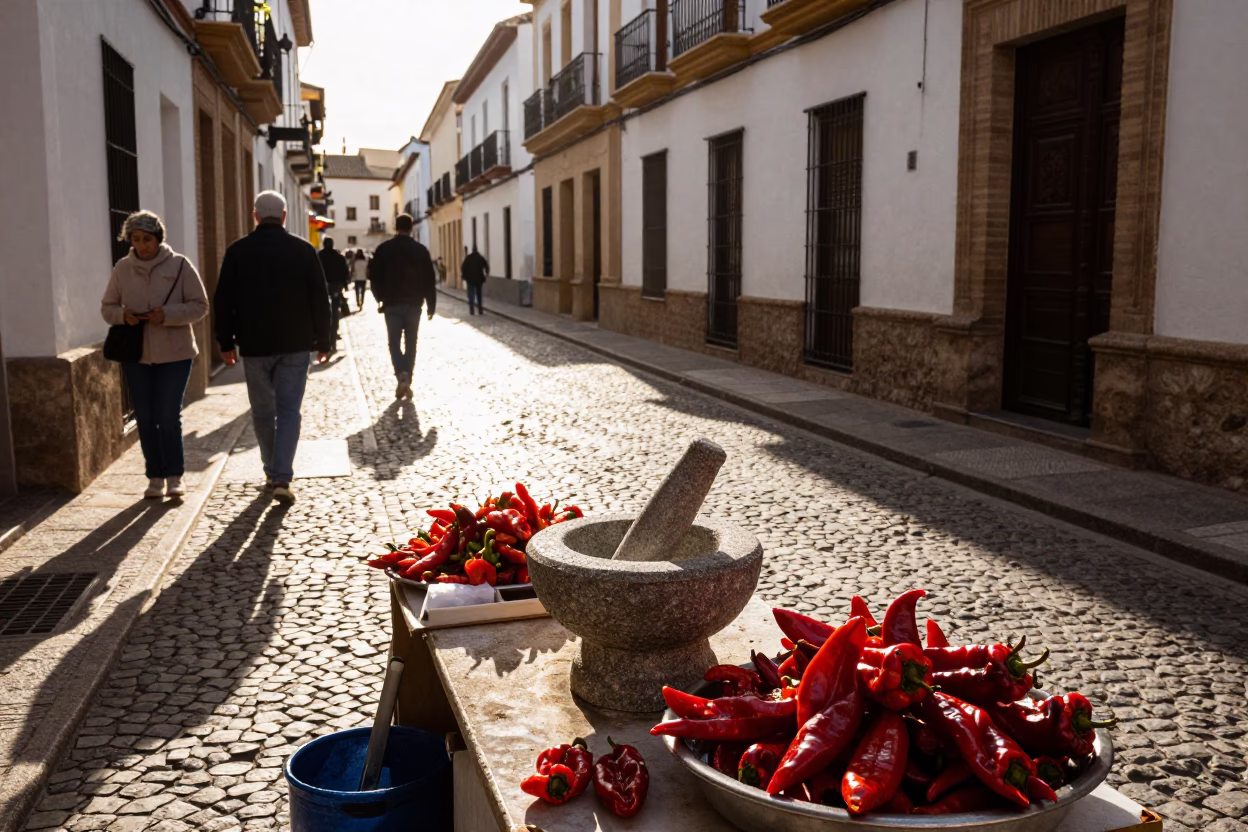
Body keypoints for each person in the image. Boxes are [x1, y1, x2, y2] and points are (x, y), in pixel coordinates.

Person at [215, 191, 332, 505]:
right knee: (289, 411)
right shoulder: (304, 250)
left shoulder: (238, 252)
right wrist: (325, 341)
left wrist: (225, 342)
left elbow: (223, 300)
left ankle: (271, 470)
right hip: (295, 344)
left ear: (255, 216)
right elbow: (320, 299)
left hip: (254, 345)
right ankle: (282, 475)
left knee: (263, 411)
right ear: (283, 216)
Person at [101, 211, 209, 500]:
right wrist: (124, 315)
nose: (141, 245)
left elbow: (200, 306)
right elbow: (107, 307)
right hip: (136, 355)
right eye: (135, 239)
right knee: (146, 418)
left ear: (158, 238)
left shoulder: (180, 265)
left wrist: (167, 315)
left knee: (168, 415)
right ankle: (154, 477)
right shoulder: (122, 268)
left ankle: (174, 475)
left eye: (146, 239)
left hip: (176, 353)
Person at [369, 213, 437, 400]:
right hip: (415, 304)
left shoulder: (384, 249)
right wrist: (431, 305)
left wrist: (379, 299)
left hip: (391, 304)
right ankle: (408, 376)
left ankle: (401, 374)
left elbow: (373, 277)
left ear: (395, 227)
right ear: (411, 227)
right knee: (411, 343)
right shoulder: (421, 250)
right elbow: (429, 280)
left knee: (394, 343)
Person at [317, 237, 351, 352]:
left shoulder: (318, 256)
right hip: (336, 287)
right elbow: (345, 273)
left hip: (322, 288)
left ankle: (324, 339)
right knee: (335, 314)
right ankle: (333, 341)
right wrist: (345, 286)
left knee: (322, 314)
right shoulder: (339, 257)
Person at [461, 245, 489, 316]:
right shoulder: (480, 258)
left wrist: (464, 275)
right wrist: (486, 272)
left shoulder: (468, 258)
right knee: (479, 294)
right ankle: (480, 309)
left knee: (471, 294)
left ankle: (471, 309)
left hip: (470, 279)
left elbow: (463, 267)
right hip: (478, 279)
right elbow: (486, 265)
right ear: (476, 250)